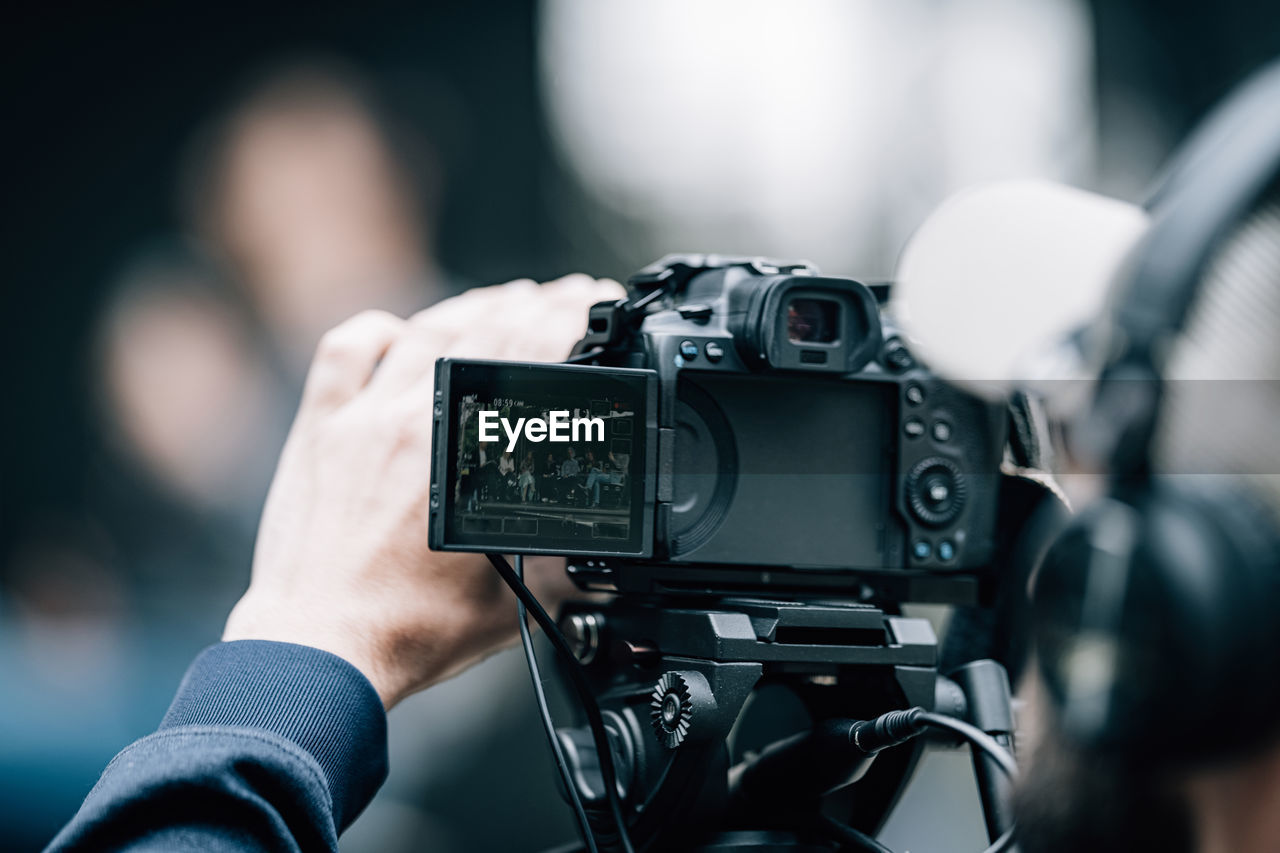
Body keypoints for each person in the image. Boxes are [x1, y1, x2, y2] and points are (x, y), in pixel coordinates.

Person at [46, 274, 623, 852]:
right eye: (142, 376)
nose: (159, 404)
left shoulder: (301, 475)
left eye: (180, 371)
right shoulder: (133, 510)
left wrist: (312, 646)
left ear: (239, 362)